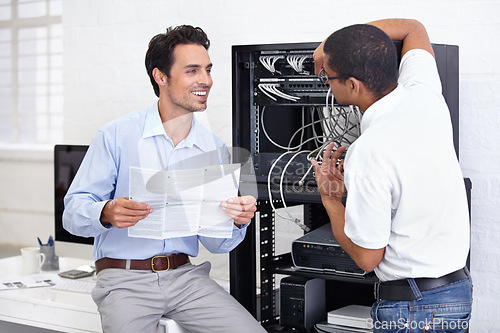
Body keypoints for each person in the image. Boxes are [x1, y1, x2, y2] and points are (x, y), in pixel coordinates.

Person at [63, 25, 266, 333]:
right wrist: (105, 212)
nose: (206, 80)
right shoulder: (116, 135)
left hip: (186, 280)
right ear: (161, 77)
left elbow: (216, 242)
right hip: (124, 281)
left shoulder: (214, 148)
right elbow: (72, 213)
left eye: (208, 70)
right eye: (192, 70)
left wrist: (237, 220)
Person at [311, 19, 472, 332]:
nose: (327, 83)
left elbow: (368, 259)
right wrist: (330, 43)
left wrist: (331, 199)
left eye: (328, 77)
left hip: (414, 308)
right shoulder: (425, 94)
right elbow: (414, 28)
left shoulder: (369, 151)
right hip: (457, 292)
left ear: (353, 85)